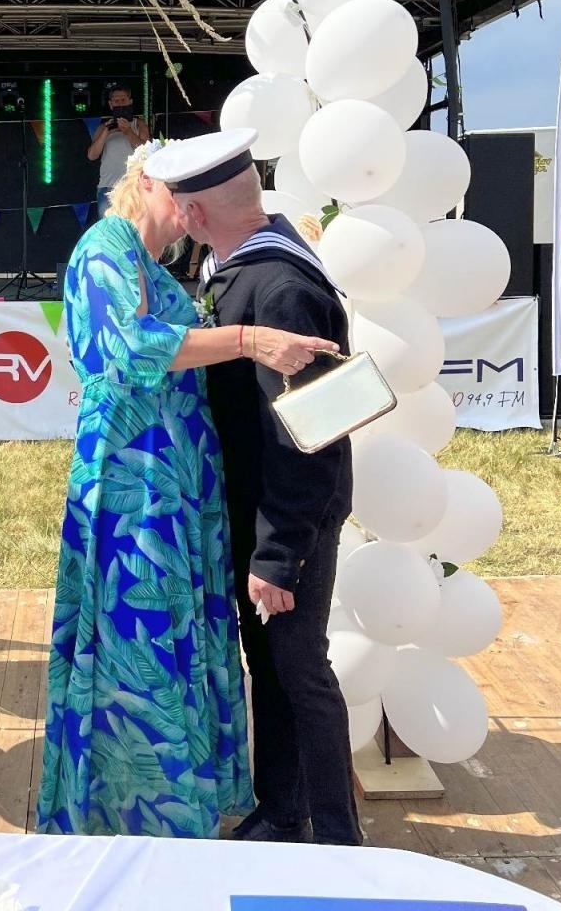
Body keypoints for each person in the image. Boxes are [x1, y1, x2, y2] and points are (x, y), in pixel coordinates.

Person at [36, 136, 337, 839]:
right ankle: (136, 811)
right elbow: (128, 348)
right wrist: (248, 340)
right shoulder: (106, 245)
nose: (194, 215)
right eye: (182, 196)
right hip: (137, 481)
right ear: (147, 185)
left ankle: (174, 802)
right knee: (136, 637)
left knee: (166, 636)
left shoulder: (152, 259)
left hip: (172, 483)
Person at [152, 128, 363, 847]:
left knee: (299, 672)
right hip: (264, 508)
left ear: (195, 215)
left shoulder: (280, 288)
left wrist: (278, 554)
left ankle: (336, 842)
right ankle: (284, 811)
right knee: (272, 666)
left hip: (287, 514)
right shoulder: (243, 265)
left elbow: (309, 437)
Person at [87, 86, 150, 216]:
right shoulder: (103, 127)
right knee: (108, 229)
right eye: (116, 101)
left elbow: (147, 151)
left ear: (130, 102)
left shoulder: (139, 124)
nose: (120, 103)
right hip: (108, 187)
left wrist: (128, 132)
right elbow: (92, 155)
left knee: (135, 226)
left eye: (123, 100)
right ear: (110, 104)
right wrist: (106, 132)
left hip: (134, 185)